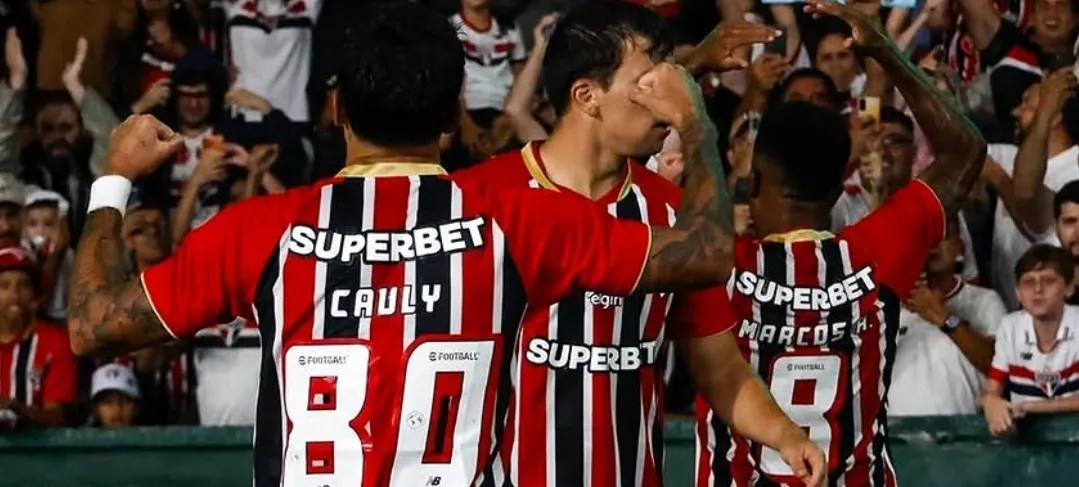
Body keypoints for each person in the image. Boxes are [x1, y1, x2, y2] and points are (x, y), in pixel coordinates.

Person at [65, 2, 772, 486]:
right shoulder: (518, 222)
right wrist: (695, 119)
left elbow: (92, 325)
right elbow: (706, 251)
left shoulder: (262, 228)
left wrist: (114, 177)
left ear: (336, 109)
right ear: (450, 112)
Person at [454, 3, 823, 487]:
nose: (671, 100)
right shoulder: (478, 200)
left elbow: (719, 366)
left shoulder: (674, 215)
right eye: (650, 83)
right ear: (587, 95)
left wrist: (784, 434)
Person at [694, 1, 987, 486]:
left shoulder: (711, 264)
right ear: (836, 192)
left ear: (758, 181)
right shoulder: (877, 250)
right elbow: (966, 151)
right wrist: (887, 53)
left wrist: (691, 71)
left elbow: (612, 176)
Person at [983, 244, 1079, 435]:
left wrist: (1028, 407)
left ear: (1069, 288)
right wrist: (991, 403)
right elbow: (989, 392)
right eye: (1028, 283)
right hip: (1027, 443)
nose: (1037, 290)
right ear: (1017, 292)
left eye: (1048, 281)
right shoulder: (1010, 327)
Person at [0, 245, 77, 431]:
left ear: (35, 294)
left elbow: (57, 416)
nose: (15, 294)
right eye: (4, 286)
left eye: (24, 285)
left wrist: (18, 411)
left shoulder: (55, 342)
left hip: (37, 456)